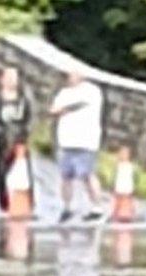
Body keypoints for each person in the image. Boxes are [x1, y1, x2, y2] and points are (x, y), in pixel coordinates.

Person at [50, 70, 104, 222]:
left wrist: (65, 109)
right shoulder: (64, 93)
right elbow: (54, 110)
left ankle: (97, 207)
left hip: (86, 141)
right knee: (65, 176)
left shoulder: (92, 91)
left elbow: (74, 106)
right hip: (67, 141)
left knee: (87, 175)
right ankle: (67, 207)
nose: (71, 77)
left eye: (74, 74)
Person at [0, 66, 33, 215]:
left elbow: (30, 119)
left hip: (20, 142)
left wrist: (25, 133)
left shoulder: (24, 99)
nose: (11, 81)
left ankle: (27, 203)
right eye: (8, 77)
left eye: (14, 77)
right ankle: (4, 205)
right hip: (2, 142)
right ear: (2, 80)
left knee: (23, 173)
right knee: (0, 173)